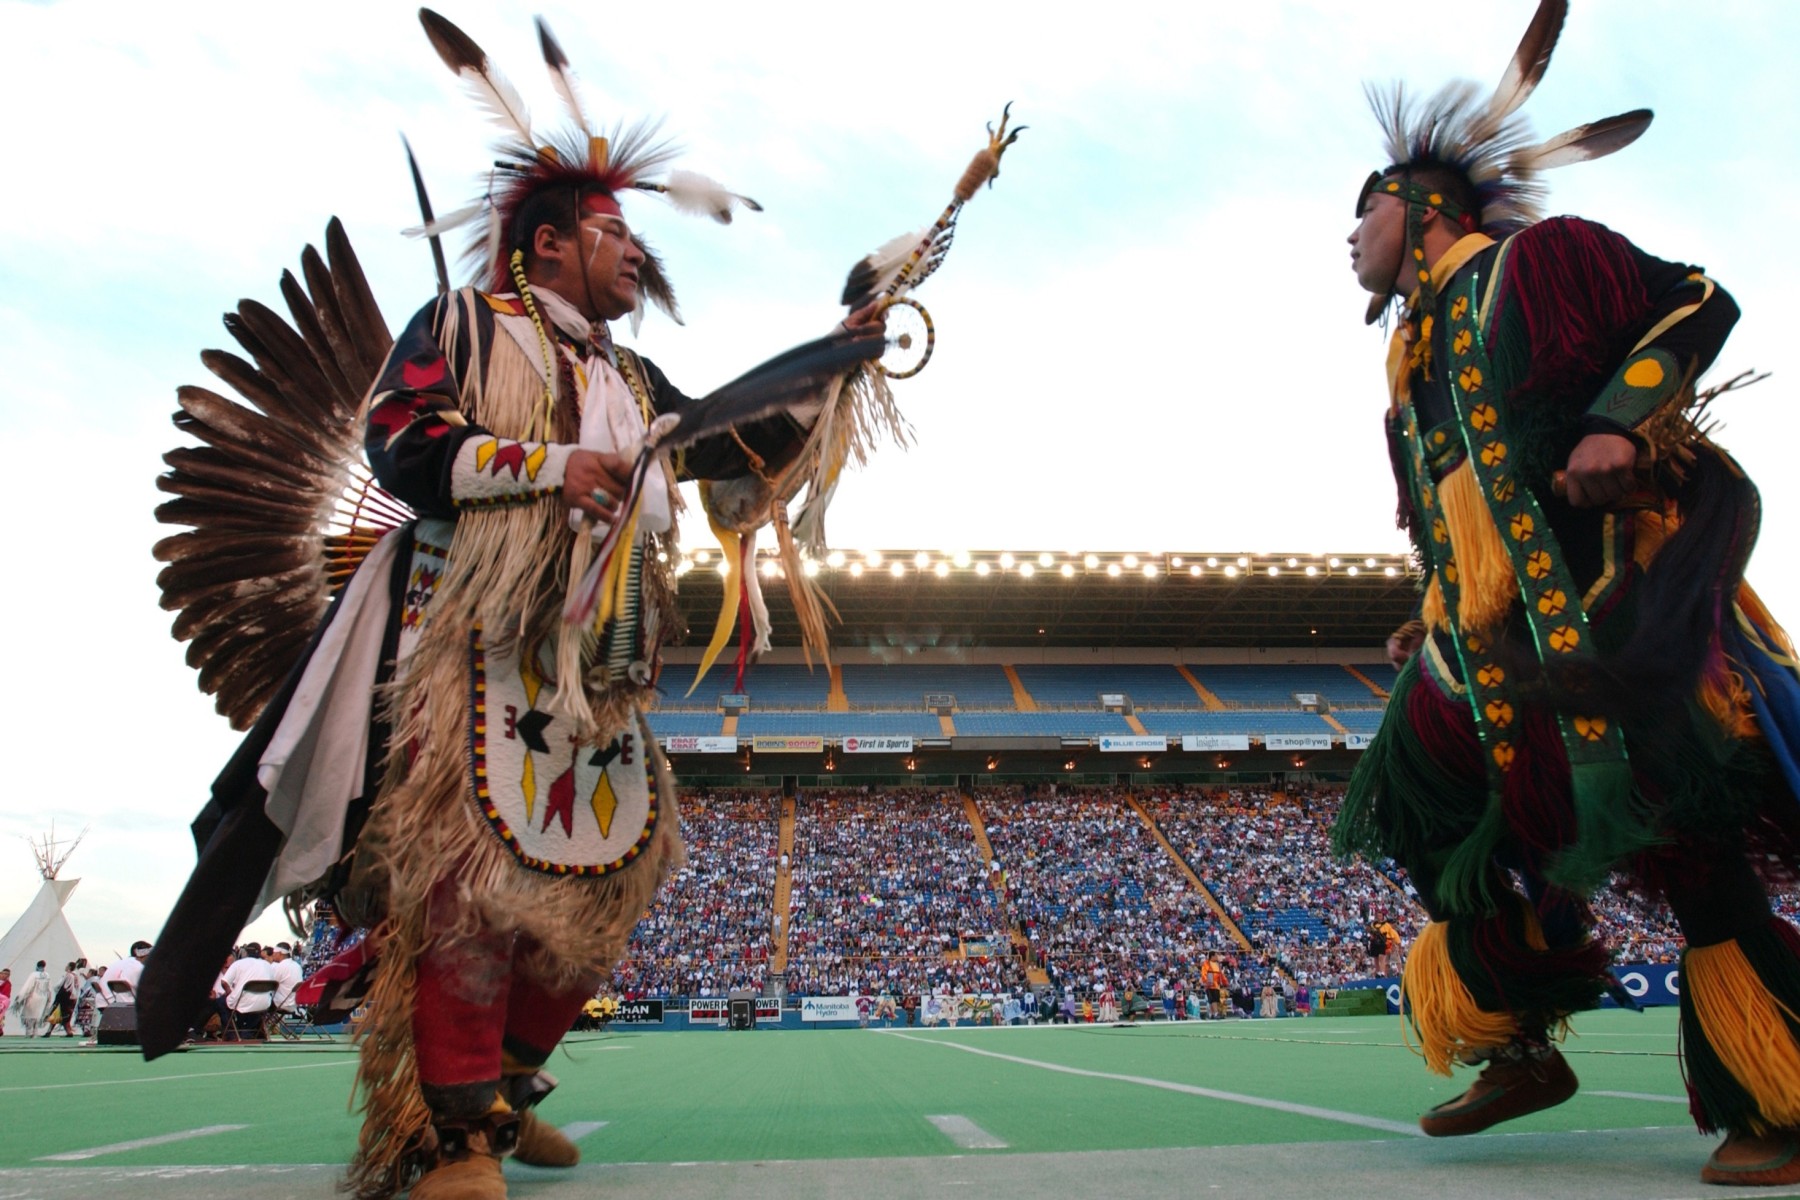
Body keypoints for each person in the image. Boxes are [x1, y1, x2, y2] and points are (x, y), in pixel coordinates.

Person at [139, 15, 888, 1200]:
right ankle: (451, 1144)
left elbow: (737, 445)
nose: (636, 253)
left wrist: (836, 355)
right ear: (548, 244)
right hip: (473, 643)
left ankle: (505, 1089)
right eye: (613, 232)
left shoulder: (634, 380)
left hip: (599, 664)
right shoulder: (464, 329)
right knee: (469, 888)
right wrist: (546, 470)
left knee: (607, 885)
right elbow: (402, 443)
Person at [1333, 1, 1800, 1183]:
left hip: (1607, 619)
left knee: (1695, 864)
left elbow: (1701, 301)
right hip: (1481, 647)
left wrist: (1615, 419)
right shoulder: (1413, 368)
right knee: (1420, 810)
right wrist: (1428, 607)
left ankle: (1782, 1094)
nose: (1348, 239)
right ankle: (1523, 1036)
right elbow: (1447, 520)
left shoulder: (1542, 263)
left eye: (1364, 211)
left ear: (1427, 208)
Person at [16, 962, 52, 1038]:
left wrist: (20, 996)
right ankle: (35, 1033)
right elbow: (49, 988)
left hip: (33, 996)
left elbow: (28, 986)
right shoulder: (47, 975)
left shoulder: (34, 974)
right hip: (43, 997)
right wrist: (49, 998)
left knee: (29, 1015)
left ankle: (29, 1033)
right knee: (38, 1015)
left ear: (37, 966)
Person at [0, 967, 11, 1035]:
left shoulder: (8, 984)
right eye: (3, 973)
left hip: (2, 1003)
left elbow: (6, 997)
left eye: (7, 974)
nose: (5, 975)